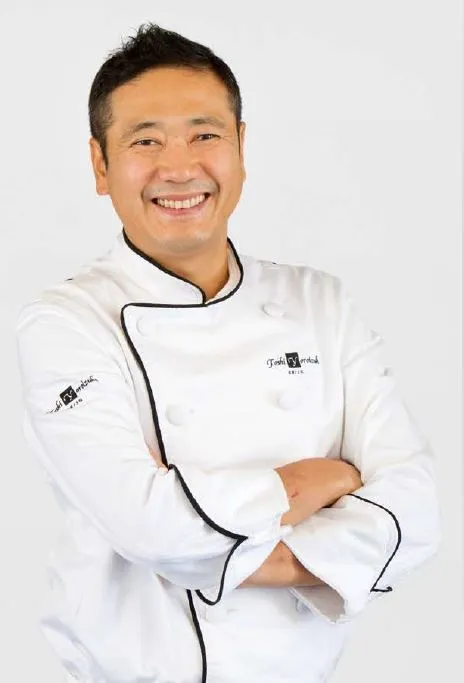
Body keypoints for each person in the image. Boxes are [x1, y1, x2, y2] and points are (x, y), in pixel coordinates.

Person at [16, 22, 440, 683]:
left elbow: (416, 509)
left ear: (241, 148)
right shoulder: (66, 324)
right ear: (100, 166)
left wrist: (208, 552)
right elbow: (149, 526)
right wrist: (315, 483)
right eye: (145, 140)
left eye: (204, 135)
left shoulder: (320, 303)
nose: (179, 167)